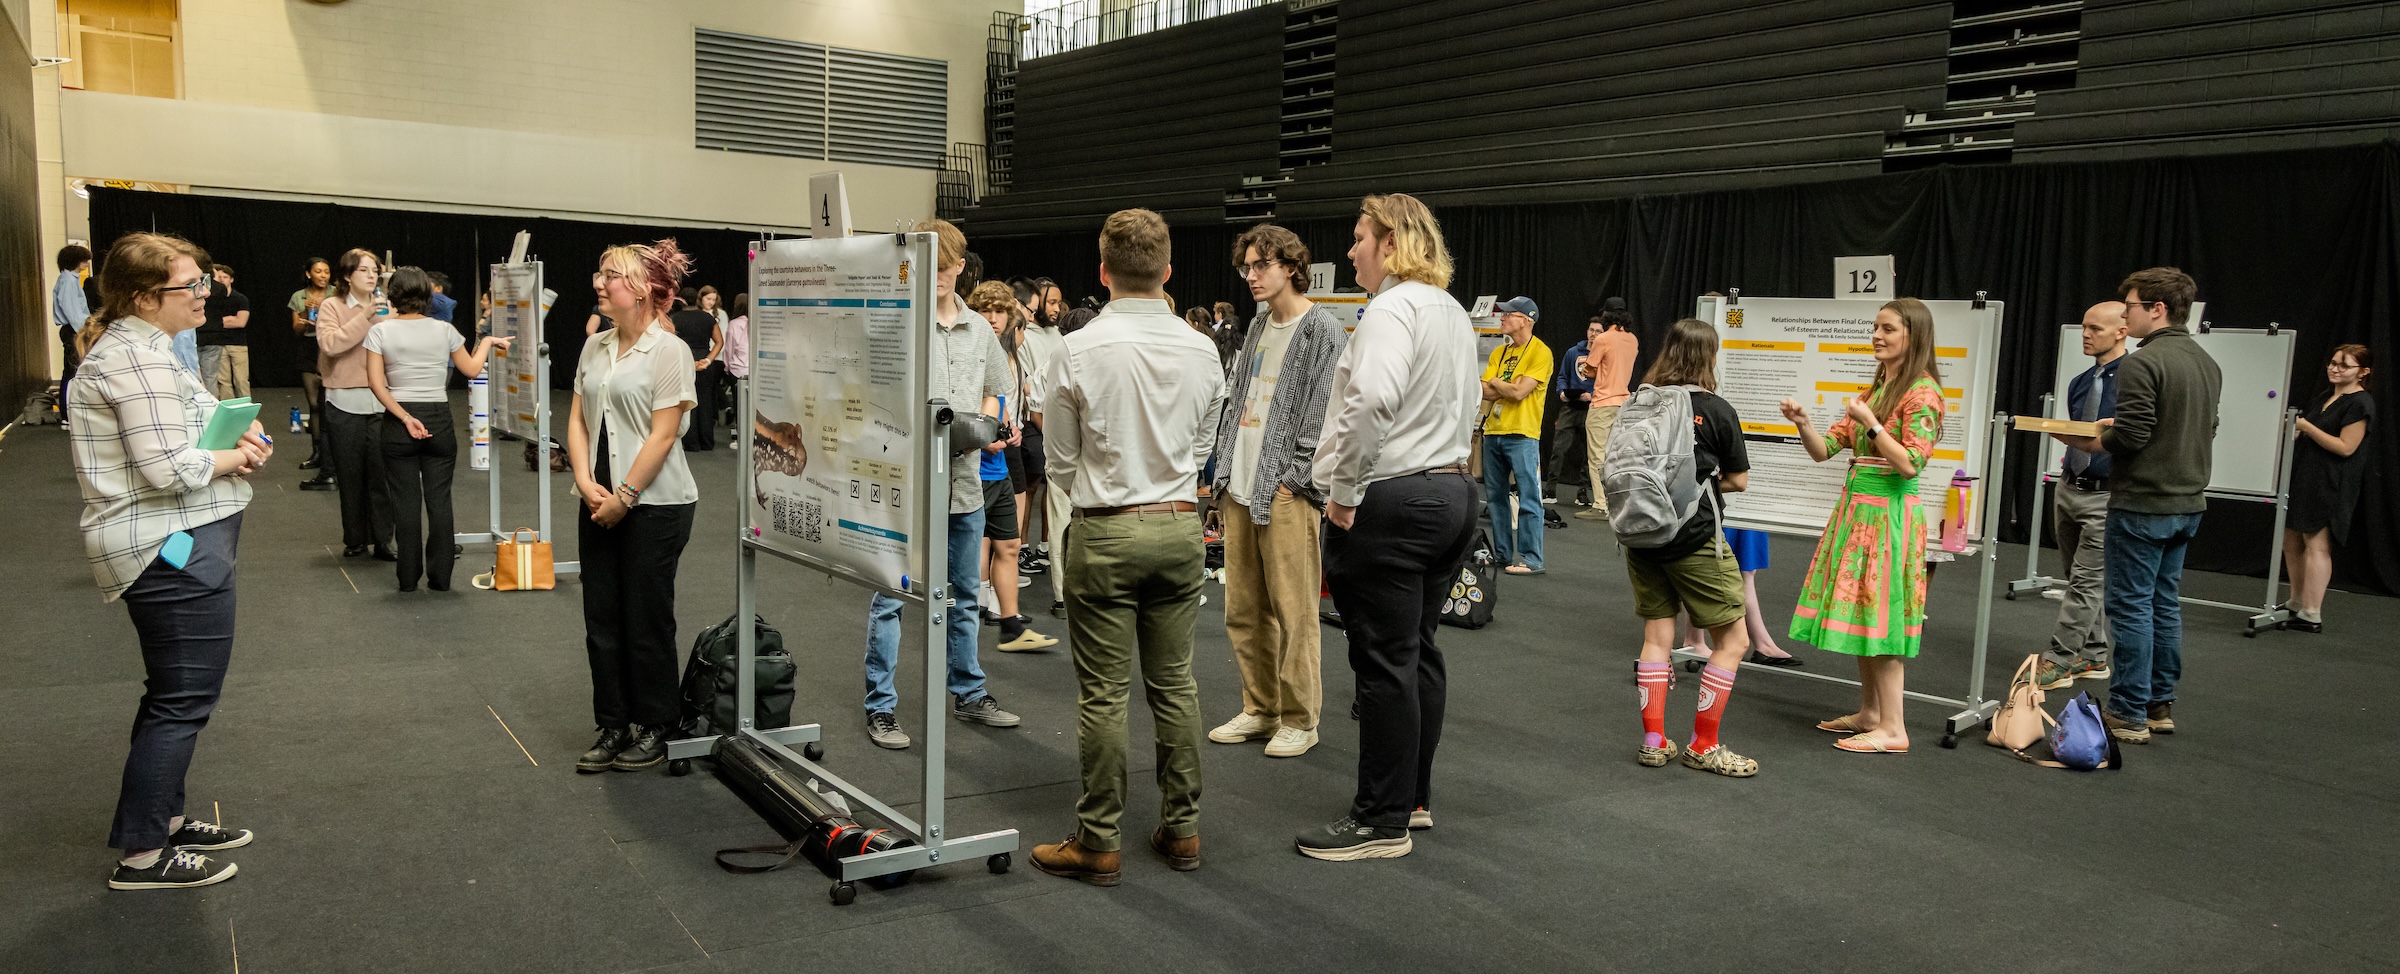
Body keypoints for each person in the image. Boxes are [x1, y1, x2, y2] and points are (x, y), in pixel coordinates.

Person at [1029, 208, 1227, 886]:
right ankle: (1183, 830)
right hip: (1178, 525)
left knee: (1104, 695)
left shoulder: (1076, 348)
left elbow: (1058, 461)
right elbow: (1203, 445)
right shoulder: (1203, 347)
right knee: (1175, 684)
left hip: (1105, 526)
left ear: (1104, 271)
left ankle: (1098, 841)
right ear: (1168, 272)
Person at [70, 232, 274, 890]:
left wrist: (236, 426)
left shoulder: (146, 348)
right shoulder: (135, 360)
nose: (204, 292)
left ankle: (164, 819)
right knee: (183, 699)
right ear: (142, 297)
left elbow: (191, 418)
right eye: (189, 285)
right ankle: (141, 855)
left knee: (172, 692)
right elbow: (167, 466)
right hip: (169, 545)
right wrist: (234, 457)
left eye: (202, 281)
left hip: (176, 540)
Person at [1299, 192, 1478, 861]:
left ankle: (1380, 821)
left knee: (1384, 663)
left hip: (1394, 501)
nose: (1350, 251)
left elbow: (1372, 399)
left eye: (1358, 238)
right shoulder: (1451, 313)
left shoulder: (1392, 308)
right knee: (1416, 651)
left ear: (1391, 242)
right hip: (1453, 494)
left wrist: (1344, 493)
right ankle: (1412, 799)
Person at [860, 219, 1021, 750]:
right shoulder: (897, 324)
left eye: (947, 264)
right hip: (905, 486)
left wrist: (991, 424)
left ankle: (969, 692)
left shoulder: (979, 330)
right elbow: (868, 396)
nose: (939, 273)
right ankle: (880, 707)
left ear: (959, 266)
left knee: (965, 595)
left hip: (965, 487)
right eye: (929, 263)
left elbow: (1000, 386)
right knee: (891, 597)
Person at [2051, 268, 2220, 744]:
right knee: (2163, 605)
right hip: (2187, 504)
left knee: (2129, 608)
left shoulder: (2143, 364)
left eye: (2132, 308)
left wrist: (2090, 436)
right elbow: (2206, 428)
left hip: (2143, 504)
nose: (2127, 315)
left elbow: (2132, 436)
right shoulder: (2206, 363)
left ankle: (2128, 711)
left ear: (2157, 310)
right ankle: (2158, 706)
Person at [1778, 297, 1946, 754]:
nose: (1877, 335)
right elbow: (1823, 449)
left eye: (1888, 329)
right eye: (1875, 327)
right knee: (1863, 613)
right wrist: (1803, 423)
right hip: (1859, 512)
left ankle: (1895, 729)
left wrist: (1871, 425)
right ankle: (1872, 712)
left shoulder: (1922, 393)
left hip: (1890, 516)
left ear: (1912, 335)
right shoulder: (1876, 389)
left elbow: (1911, 464)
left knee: (1882, 617)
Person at [1206, 223, 1349, 759]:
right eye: (1246, 267)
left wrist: (1297, 479)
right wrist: (1221, 476)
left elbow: (1324, 416)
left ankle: (1300, 716)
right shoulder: (1261, 324)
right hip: (1240, 486)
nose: (1251, 276)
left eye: (1260, 265)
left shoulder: (1322, 330)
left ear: (1291, 265)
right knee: (1243, 609)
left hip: (1285, 492)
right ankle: (1261, 707)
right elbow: (1238, 399)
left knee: (1294, 610)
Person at [567, 240, 702, 773]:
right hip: (598, 497)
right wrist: (583, 479)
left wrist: (625, 496)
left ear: (643, 288)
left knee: (645, 618)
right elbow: (578, 420)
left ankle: (656, 724)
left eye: (612, 276)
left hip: (656, 505)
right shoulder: (595, 347)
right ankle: (614, 723)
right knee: (601, 616)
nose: (599, 284)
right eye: (599, 275)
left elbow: (663, 435)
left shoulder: (668, 351)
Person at [1624, 318, 1759, 777]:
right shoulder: (1715, 409)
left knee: (1656, 637)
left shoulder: (1640, 402)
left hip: (1640, 534)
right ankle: (1704, 745)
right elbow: (1737, 480)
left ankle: (1654, 740)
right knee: (1733, 639)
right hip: (1694, 536)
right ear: (1710, 356)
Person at [366, 266, 512, 592]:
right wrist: (487, 342)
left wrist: (405, 418)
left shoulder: (380, 332)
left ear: (393, 296)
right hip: (438, 418)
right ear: (429, 294)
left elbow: (376, 384)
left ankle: (407, 579)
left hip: (398, 420)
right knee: (440, 501)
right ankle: (441, 578)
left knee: (405, 504)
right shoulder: (444, 330)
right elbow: (473, 370)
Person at [2033, 301, 2130, 689]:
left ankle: (2059, 659)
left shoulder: (2135, 378)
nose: (2086, 335)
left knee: (2086, 583)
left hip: (2107, 496)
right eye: (2084, 328)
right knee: (2076, 578)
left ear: (2122, 331)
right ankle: (2093, 655)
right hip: (2070, 485)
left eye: (2096, 328)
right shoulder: (2079, 381)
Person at [965, 281, 1057, 651]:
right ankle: (969, 624)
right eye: (986, 311)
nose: (993, 318)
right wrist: (984, 437)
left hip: (998, 467)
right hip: (969, 470)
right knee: (974, 549)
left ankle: (1011, 625)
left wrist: (1012, 428)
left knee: (1009, 544)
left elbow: (999, 406)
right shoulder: (968, 352)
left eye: (999, 311)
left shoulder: (1002, 356)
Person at [2281, 344, 2374, 633]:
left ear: (2363, 372)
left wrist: (2307, 428)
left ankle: (2312, 613)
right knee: (2291, 541)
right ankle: (2295, 602)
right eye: (2332, 363)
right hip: (2305, 477)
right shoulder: (2326, 397)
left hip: (2331, 483)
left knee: (2317, 546)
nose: (2335, 369)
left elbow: (2346, 448)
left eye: (2344, 365)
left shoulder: (2360, 403)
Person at [315, 249, 398, 560]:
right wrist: (365, 316)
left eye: (374, 270)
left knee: (382, 475)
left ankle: (383, 540)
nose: (371, 275)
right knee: (350, 475)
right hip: (343, 401)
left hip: (382, 401)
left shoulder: (387, 307)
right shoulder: (331, 306)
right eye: (363, 270)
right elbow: (331, 344)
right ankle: (355, 539)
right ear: (347, 276)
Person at [1479, 295, 1552, 575]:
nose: (1503, 317)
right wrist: (1507, 385)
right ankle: (1502, 555)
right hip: (1494, 432)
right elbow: (1483, 389)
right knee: (1495, 498)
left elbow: (1521, 393)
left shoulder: (1540, 352)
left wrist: (1499, 383)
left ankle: (1532, 560)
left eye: (1509, 314)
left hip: (1523, 434)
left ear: (1526, 320)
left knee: (1529, 497)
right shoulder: (1500, 352)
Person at [1576, 297, 1638, 520]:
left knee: (1597, 457)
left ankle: (1601, 504)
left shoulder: (1603, 339)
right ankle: (1617, 503)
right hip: (1624, 404)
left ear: (1607, 316)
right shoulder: (1632, 339)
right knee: (1617, 456)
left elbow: (1590, 369)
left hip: (1602, 402)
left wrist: (1585, 368)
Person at [291, 258, 336, 487]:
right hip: (308, 348)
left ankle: (331, 456)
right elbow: (296, 330)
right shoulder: (299, 296)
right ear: (308, 274)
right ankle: (317, 453)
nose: (323, 275)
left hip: (329, 346)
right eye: (318, 271)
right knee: (314, 404)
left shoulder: (337, 294)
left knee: (329, 404)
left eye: (326, 272)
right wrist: (304, 315)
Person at [1546, 316, 1598, 508]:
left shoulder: (1604, 355)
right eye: (1591, 330)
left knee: (1589, 453)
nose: (1594, 334)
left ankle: (1583, 492)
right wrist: (1561, 392)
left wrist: (1592, 395)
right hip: (1570, 407)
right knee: (1558, 449)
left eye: (1598, 331)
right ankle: (1549, 490)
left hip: (1591, 409)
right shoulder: (1572, 352)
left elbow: (1607, 381)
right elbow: (1562, 376)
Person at [667, 287, 723, 451]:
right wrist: (707, 360)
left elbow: (669, 343)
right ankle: (707, 441)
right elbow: (719, 342)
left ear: (681, 301)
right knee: (705, 401)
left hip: (683, 362)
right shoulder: (707, 318)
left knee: (686, 401)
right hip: (705, 362)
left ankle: (690, 442)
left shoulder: (673, 319)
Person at [195, 264, 250, 400]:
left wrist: (217, 321)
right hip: (219, 341)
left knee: (241, 379)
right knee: (222, 381)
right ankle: (228, 410)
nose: (221, 279)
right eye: (218, 276)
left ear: (231, 279)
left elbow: (240, 322)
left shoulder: (240, 298)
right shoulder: (213, 296)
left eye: (224, 277)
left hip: (237, 343)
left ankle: (245, 408)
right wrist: (227, 320)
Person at [53, 243, 93, 426]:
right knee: (72, 373)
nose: (87, 262)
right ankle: (67, 416)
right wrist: (84, 332)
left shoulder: (70, 279)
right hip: (73, 330)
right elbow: (71, 310)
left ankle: (68, 414)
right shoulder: (68, 281)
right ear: (75, 261)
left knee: (73, 372)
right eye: (84, 259)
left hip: (74, 328)